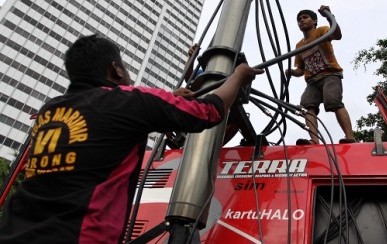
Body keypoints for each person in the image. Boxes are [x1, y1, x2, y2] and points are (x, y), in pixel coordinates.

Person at [0, 34, 263, 243]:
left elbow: (108, 117)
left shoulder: (50, 110)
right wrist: (239, 76)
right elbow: (210, 111)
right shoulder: (133, 101)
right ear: (115, 69)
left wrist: (169, 98)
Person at [286, 5, 355, 145]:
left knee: (333, 102)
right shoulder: (299, 46)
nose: (302, 21)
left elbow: (337, 35)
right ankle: (314, 140)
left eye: (305, 18)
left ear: (314, 21)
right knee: (307, 105)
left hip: (330, 75)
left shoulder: (321, 31)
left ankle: (350, 137)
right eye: (299, 19)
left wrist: (329, 15)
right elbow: (301, 69)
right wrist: (292, 72)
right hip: (312, 81)